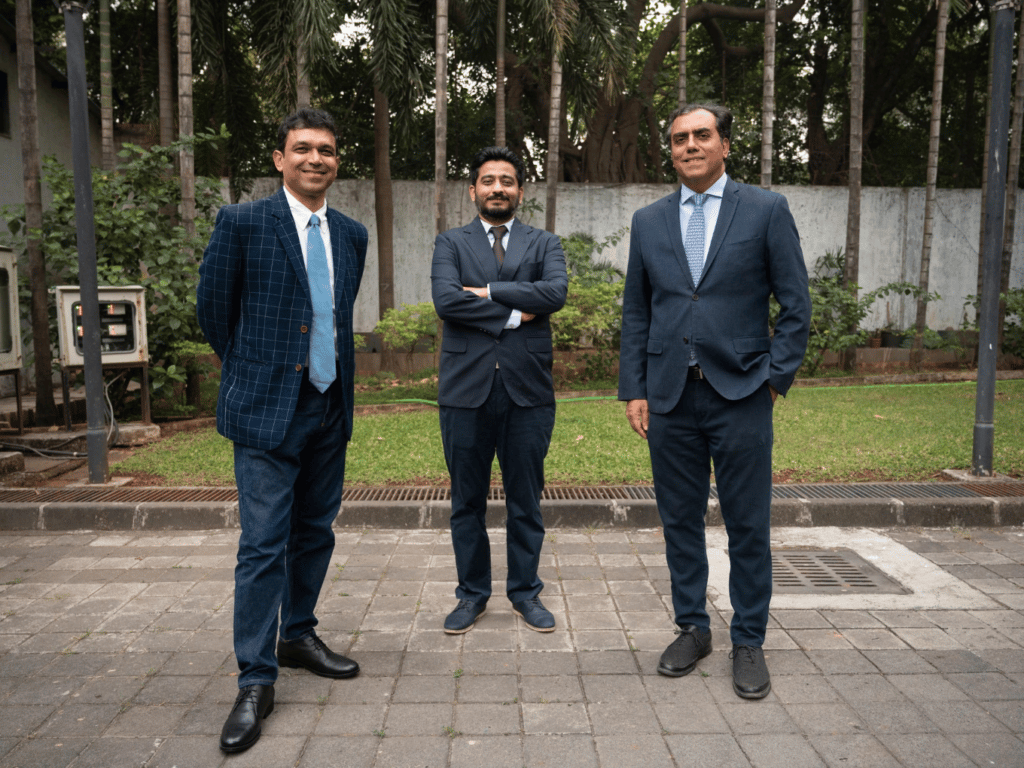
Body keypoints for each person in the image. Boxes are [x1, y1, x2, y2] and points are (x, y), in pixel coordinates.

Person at [618, 104, 811, 699]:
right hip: (670, 395)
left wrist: (774, 378)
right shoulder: (649, 221)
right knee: (679, 522)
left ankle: (748, 640)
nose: (690, 145)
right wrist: (634, 387)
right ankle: (693, 629)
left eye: (702, 135)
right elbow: (637, 311)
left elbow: (796, 303)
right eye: (680, 138)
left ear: (725, 145)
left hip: (743, 391)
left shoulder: (766, 210)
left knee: (747, 524)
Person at [197, 108, 367, 752]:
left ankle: (296, 635)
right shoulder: (242, 223)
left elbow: (336, 314)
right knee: (264, 544)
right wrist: (256, 371)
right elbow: (214, 311)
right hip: (267, 409)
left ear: (336, 161)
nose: (315, 159)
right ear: (279, 159)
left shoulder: (351, 234)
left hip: (329, 405)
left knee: (315, 531)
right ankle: (255, 678)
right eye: (302, 149)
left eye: (326, 149)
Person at [431, 146, 568, 635]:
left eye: (506, 181)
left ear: (520, 192)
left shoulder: (544, 242)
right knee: (466, 501)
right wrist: (515, 312)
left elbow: (554, 293)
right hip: (464, 391)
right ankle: (471, 594)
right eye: (488, 180)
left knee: (525, 500)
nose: (497, 188)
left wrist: (486, 292)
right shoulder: (450, 243)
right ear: (473, 190)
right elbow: (446, 300)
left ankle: (525, 593)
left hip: (528, 390)